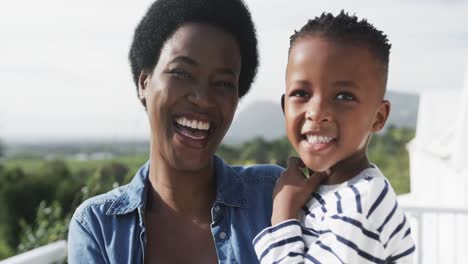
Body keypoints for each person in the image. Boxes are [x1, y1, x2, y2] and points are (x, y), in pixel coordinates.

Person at [67, 0, 284, 263]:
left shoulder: (274, 197)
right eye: (181, 73)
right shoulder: (99, 228)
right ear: (144, 83)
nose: (203, 99)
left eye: (224, 83)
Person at [253, 11, 415, 263]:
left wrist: (282, 215)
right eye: (301, 93)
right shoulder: (331, 192)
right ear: (285, 107)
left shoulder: (361, 206)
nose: (316, 113)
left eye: (343, 96)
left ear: (378, 117)